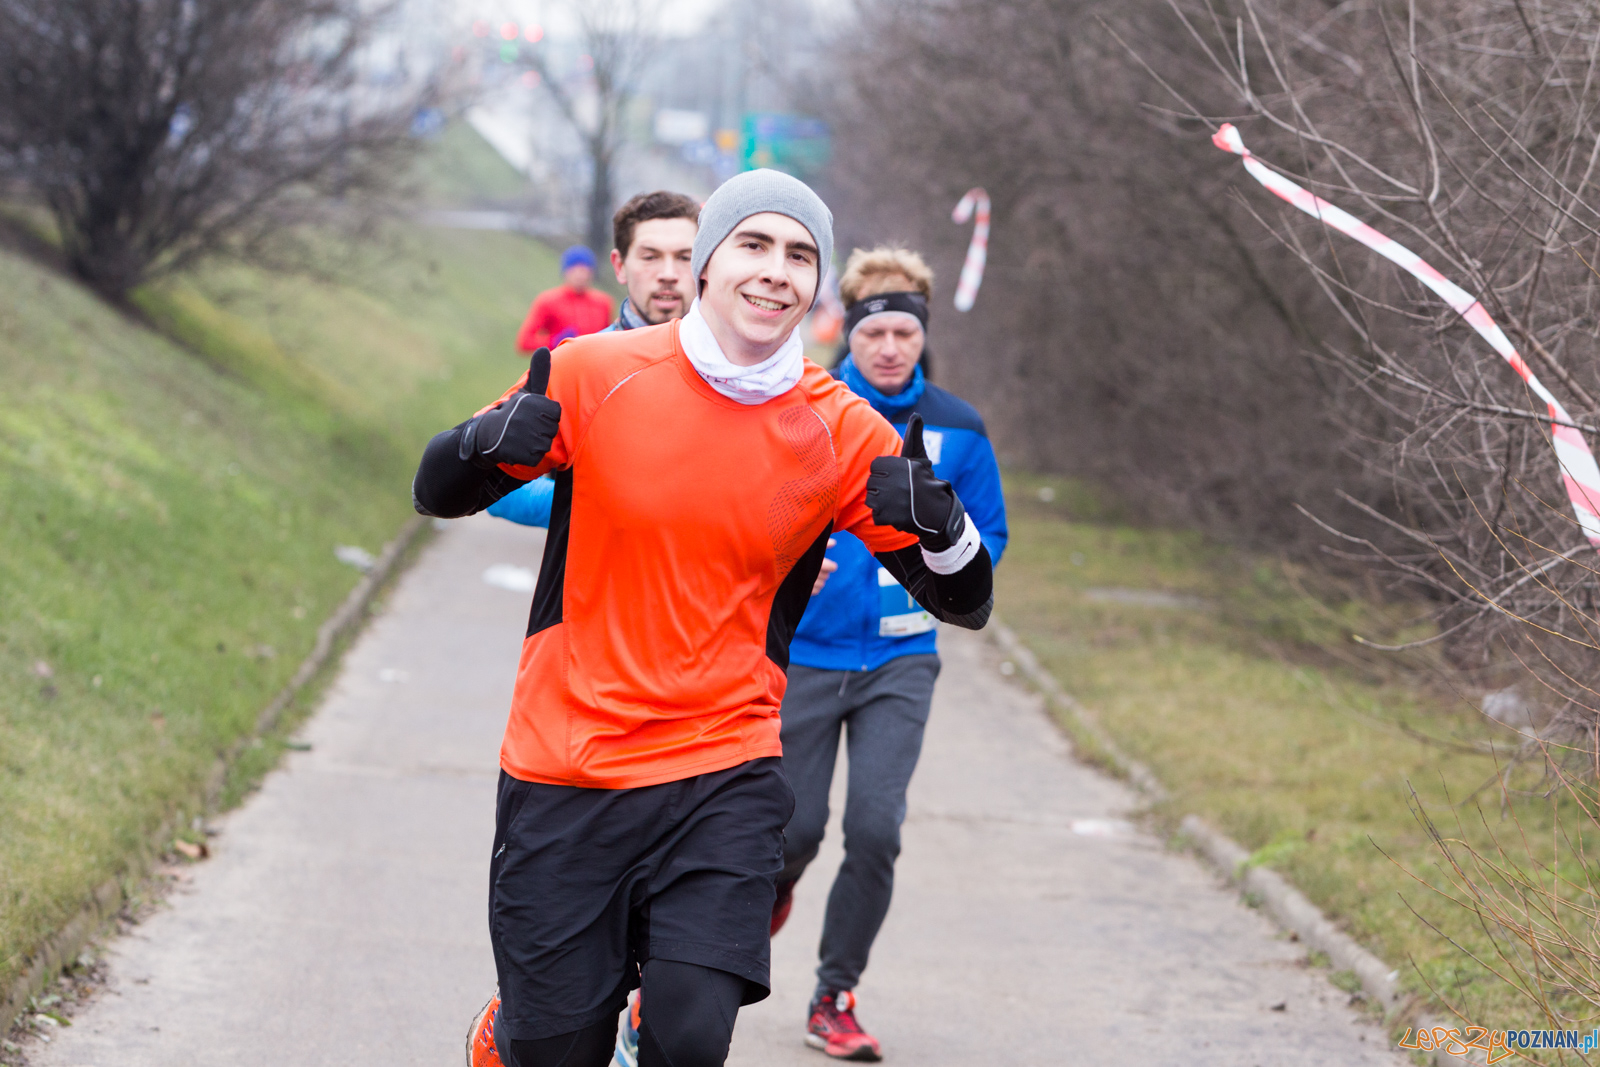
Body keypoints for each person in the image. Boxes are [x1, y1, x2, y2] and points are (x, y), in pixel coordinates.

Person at [410, 169, 994, 1067]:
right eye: (754, 245)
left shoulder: (839, 427)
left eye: (801, 255)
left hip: (724, 767)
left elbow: (967, 598)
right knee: (557, 1049)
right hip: (571, 764)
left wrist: (943, 526)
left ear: (816, 286)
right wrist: (483, 446)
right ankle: (515, 1030)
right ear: (709, 263)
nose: (776, 271)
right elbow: (436, 489)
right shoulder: (594, 373)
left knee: (687, 1039)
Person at [775, 247, 1008, 1062]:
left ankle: (833, 994)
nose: (890, 347)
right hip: (805, 651)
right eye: (876, 331)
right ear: (852, 332)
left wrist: (944, 554)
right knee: (793, 830)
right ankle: (773, 888)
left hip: (901, 662)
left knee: (875, 830)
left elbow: (991, 539)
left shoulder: (958, 428)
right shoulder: (808, 409)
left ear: (922, 336)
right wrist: (792, 558)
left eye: (906, 331)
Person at [487, 192, 701, 531]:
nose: (668, 274)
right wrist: (587, 506)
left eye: (685, 257)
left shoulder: (740, 375)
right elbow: (495, 489)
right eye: (650, 257)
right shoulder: (571, 363)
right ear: (620, 266)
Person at [515, 244, 614, 353]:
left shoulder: (603, 302)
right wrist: (554, 341)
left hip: (596, 365)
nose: (580, 276)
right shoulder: (548, 301)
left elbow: (609, 338)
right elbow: (524, 341)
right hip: (561, 365)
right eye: (574, 270)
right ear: (565, 272)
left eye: (584, 270)